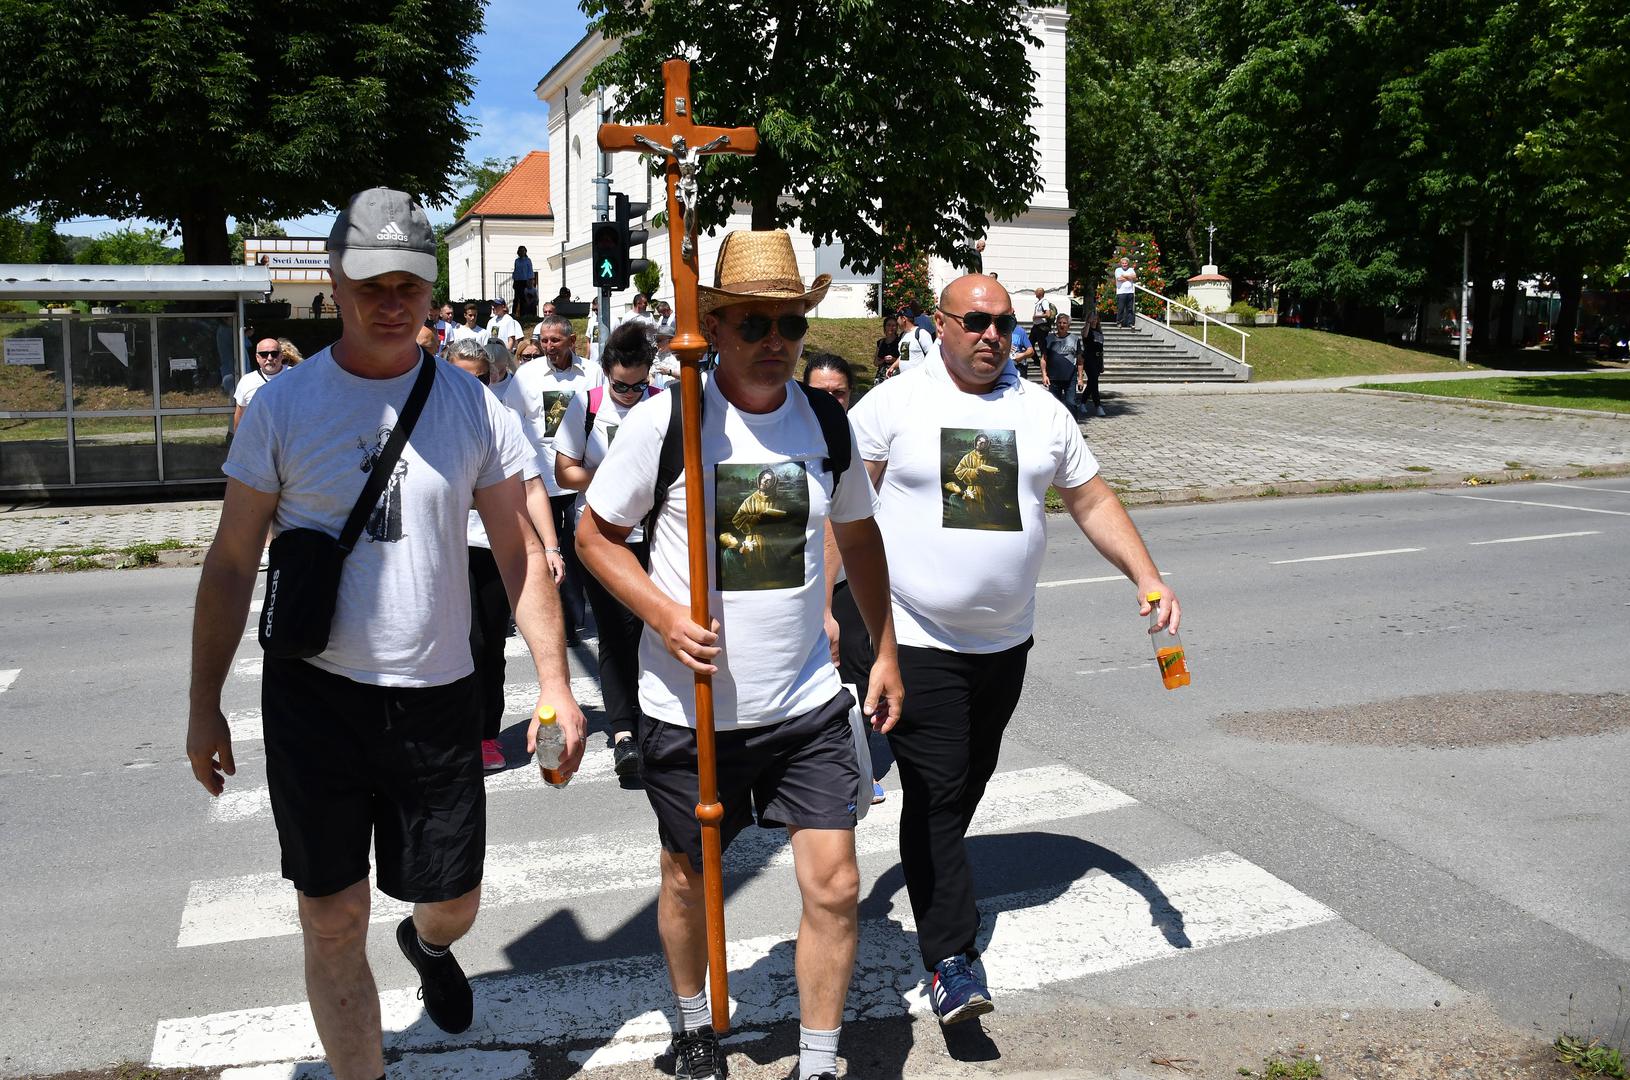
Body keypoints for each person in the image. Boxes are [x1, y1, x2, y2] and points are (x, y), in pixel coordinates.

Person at [185, 187, 587, 1079]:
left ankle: (429, 946)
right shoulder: (284, 408)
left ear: (432, 290)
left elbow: (520, 559)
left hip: (438, 700)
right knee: (331, 919)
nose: (391, 298)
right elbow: (227, 562)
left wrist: (556, 685)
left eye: (410, 281)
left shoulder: (473, 407)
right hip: (315, 698)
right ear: (335, 283)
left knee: (456, 902)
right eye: (372, 280)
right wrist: (203, 704)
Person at [576, 230, 903, 1080]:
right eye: (754, 323)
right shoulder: (669, 420)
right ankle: (692, 1027)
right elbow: (596, 536)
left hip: (803, 704)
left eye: (789, 326)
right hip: (690, 709)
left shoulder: (825, 420)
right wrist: (663, 615)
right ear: (715, 328)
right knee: (690, 879)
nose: (775, 343)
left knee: (834, 884)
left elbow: (860, 541)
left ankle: (822, 1060)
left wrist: (885, 652)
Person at [848, 272, 1179, 1027]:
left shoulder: (1041, 411)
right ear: (941, 324)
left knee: (962, 786)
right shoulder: (895, 403)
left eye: (1005, 323)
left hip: (1005, 642)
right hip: (916, 633)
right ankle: (951, 962)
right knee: (935, 791)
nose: (993, 335)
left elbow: (1090, 498)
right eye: (976, 320)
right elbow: (846, 517)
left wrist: (1147, 575)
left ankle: (927, 872)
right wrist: (827, 613)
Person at [446, 338, 565, 772]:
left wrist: (551, 548)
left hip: (493, 550)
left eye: (479, 378)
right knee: (455, 642)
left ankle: (484, 736)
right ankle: (452, 730)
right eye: (461, 377)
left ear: (492, 376)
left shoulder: (501, 418)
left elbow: (533, 486)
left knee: (487, 643)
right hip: (446, 549)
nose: (472, 386)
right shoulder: (427, 417)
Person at [553, 322, 663, 778]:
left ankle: (657, 722)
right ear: (606, 373)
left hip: (657, 538)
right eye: (621, 384)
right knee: (616, 636)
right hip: (601, 537)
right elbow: (564, 473)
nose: (629, 394)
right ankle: (624, 733)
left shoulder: (664, 404)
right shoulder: (587, 405)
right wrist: (619, 484)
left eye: (638, 385)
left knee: (652, 630)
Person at [803, 352, 889, 806]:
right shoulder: (790, 436)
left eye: (838, 393)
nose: (830, 401)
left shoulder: (857, 442)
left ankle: (858, 769)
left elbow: (849, 528)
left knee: (852, 669)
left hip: (846, 579)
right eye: (819, 393)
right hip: (804, 581)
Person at [500, 313, 603, 646]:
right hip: (539, 478)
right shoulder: (526, 376)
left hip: (577, 478)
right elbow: (510, 423)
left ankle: (575, 616)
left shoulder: (592, 373)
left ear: (572, 341)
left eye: (555, 341)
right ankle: (556, 620)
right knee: (546, 550)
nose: (548, 347)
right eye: (543, 341)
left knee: (576, 549)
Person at [232, 337, 285, 431]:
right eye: (264, 354)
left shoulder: (295, 375)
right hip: (260, 441)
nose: (269, 358)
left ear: (281, 356)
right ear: (257, 358)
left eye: (274, 354)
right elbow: (240, 416)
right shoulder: (247, 381)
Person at [1040, 313, 1084, 418]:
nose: (1062, 325)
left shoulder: (1075, 339)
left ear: (1069, 325)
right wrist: (1044, 375)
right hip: (1054, 378)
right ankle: (1058, 429)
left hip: (1070, 378)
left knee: (1071, 403)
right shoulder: (1049, 339)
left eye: (1064, 323)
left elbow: (1080, 360)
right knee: (1055, 405)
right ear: (1056, 324)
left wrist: (1080, 378)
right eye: (1059, 323)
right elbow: (1043, 359)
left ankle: (1073, 427)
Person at [1082, 309, 1106, 416]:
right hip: (1088, 358)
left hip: (1098, 359)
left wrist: (1102, 364)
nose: (1094, 321)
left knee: (1092, 382)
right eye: (1092, 319)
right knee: (1094, 382)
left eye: (1096, 319)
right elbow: (1085, 335)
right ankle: (1098, 406)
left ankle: (1082, 402)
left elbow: (1101, 349)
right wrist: (1088, 323)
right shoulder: (1086, 329)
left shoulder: (1099, 332)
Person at [874, 315, 901, 384]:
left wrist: (894, 360)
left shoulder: (900, 342)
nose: (891, 328)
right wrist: (883, 360)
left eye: (893, 325)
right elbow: (876, 362)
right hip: (881, 376)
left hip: (895, 375)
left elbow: (904, 361)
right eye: (888, 325)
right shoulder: (880, 342)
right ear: (884, 327)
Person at [512, 246, 535, 319]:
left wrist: (530, 280)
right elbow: (515, 271)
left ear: (525, 252)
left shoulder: (528, 260)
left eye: (523, 251)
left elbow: (530, 271)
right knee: (516, 298)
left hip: (525, 281)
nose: (521, 252)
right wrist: (514, 280)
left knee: (523, 298)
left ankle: (523, 314)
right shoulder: (517, 261)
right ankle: (513, 313)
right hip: (517, 281)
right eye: (520, 251)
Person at [1114, 257, 1138, 327]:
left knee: (1130, 309)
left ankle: (1130, 323)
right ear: (1121, 264)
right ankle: (1119, 322)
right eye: (1123, 263)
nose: (1124, 264)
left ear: (1128, 264)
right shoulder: (1118, 270)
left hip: (1130, 292)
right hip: (1121, 292)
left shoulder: (1131, 269)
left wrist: (1124, 276)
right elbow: (1119, 278)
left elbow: (1134, 277)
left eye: (1126, 263)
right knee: (1121, 308)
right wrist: (1129, 277)